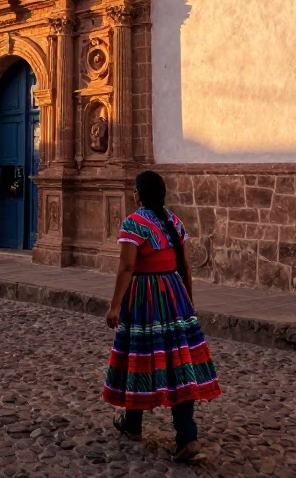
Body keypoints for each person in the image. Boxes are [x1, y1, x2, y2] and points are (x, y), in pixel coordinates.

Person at [103, 170, 220, 463]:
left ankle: (133, 424)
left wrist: (115, 305)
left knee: (139, 355)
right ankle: (186, 435)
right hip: (174, 293)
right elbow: (185, 266)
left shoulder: (134, 223)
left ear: (137, 195)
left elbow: (126, 267)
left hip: (145, 297)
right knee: (178, 359)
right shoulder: (174, 222)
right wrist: (188, 299)